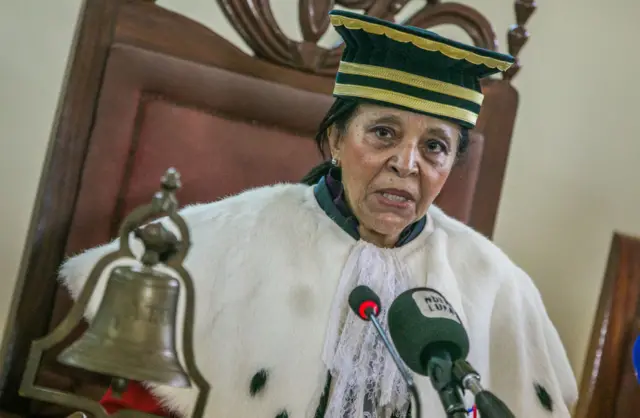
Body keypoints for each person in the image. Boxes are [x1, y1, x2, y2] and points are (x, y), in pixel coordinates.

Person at [59, 9, 577, 418]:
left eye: (435, 146)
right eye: (383, 133)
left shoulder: (496, 285)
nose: (406, 164)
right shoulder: (219, 243)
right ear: (335, 138)